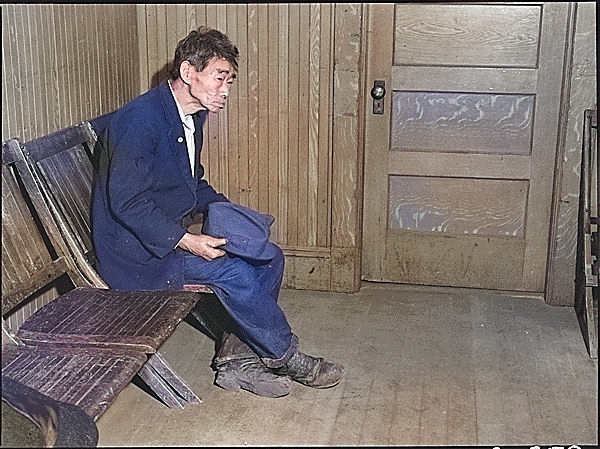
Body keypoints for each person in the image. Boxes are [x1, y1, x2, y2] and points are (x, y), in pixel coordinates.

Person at [91, 26, 344, 398]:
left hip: (162, 233)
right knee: (234, 270)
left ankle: (237, 361)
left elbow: (191, 182)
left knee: (268, 256)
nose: (225, 89)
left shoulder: (190, 115)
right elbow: (128, 203)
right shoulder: (140, 121)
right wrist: (190, 242)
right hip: (136, 253)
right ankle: (286, 356)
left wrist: (229, 213)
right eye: (219, 78)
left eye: (230, 80)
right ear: (189, 73)